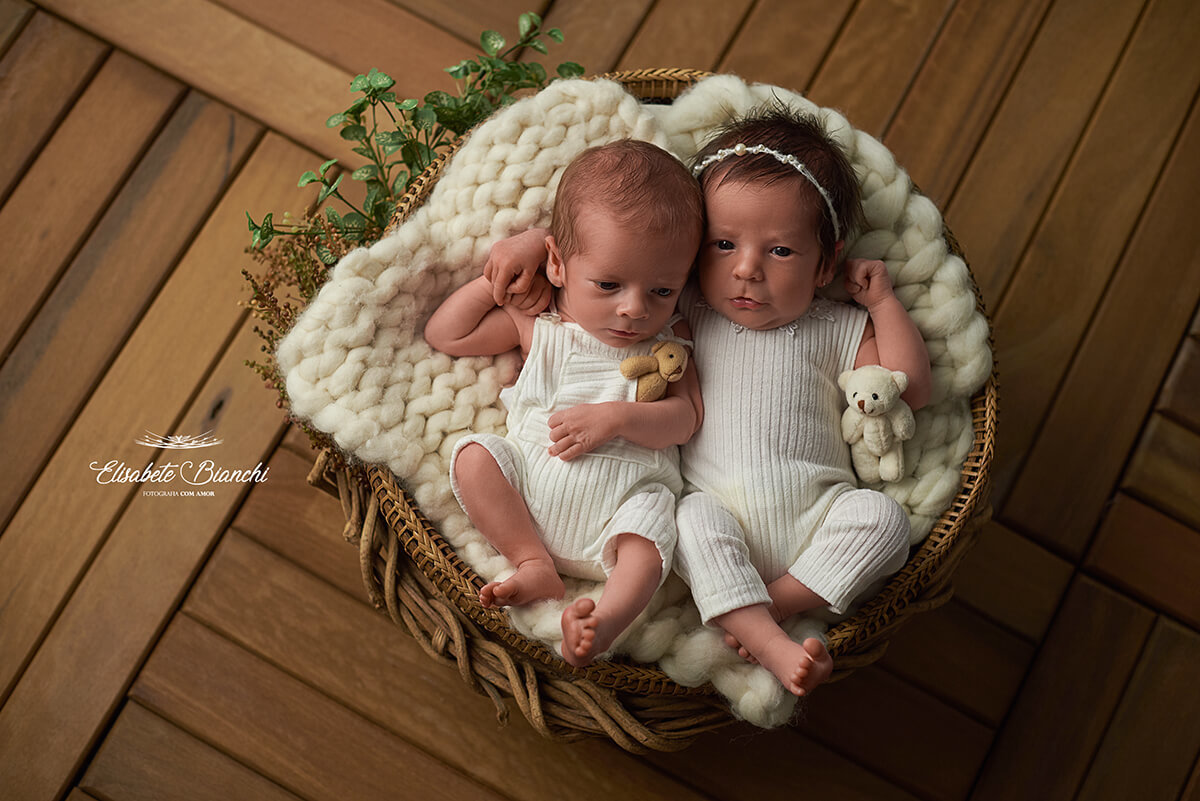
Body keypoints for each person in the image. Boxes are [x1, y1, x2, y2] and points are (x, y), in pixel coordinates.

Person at [485, 107, 931, 697]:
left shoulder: (836, 327)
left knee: (884, 522)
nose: (745, 269)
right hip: (716, 522)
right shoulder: (682, 305)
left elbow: (909, 384)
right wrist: (532, 242)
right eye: (724, 244)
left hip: (820, 515)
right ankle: (765, 634)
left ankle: (770, 604)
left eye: (780, 252)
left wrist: (882, 306)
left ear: (826, 263)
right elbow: (621, 238)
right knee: (684, 521)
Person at [423, 139, 705, 667]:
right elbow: (446, 334)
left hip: (623, 511)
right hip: (528, 494)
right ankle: (532, 562)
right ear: (557, 263)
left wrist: (618, 419)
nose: (633, 309)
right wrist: (498, 282)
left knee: (654, 532)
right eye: (608, 284)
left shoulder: (672, 339)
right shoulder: (539, 326)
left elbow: (686, 420)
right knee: (474, 457)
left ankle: (605, 623)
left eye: (662, 291)